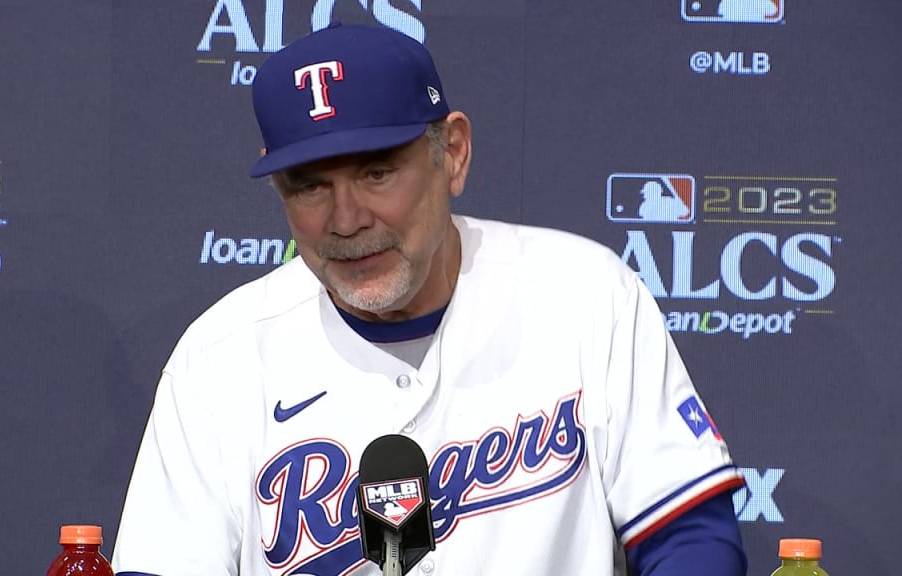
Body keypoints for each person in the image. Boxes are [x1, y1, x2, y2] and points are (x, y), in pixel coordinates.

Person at [112, 22, 747, 576]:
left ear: (453, 153)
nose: (347, 218)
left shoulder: (584, 295)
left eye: (376, 172)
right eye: (309, 186)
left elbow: (689, 535)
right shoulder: (218, 359)